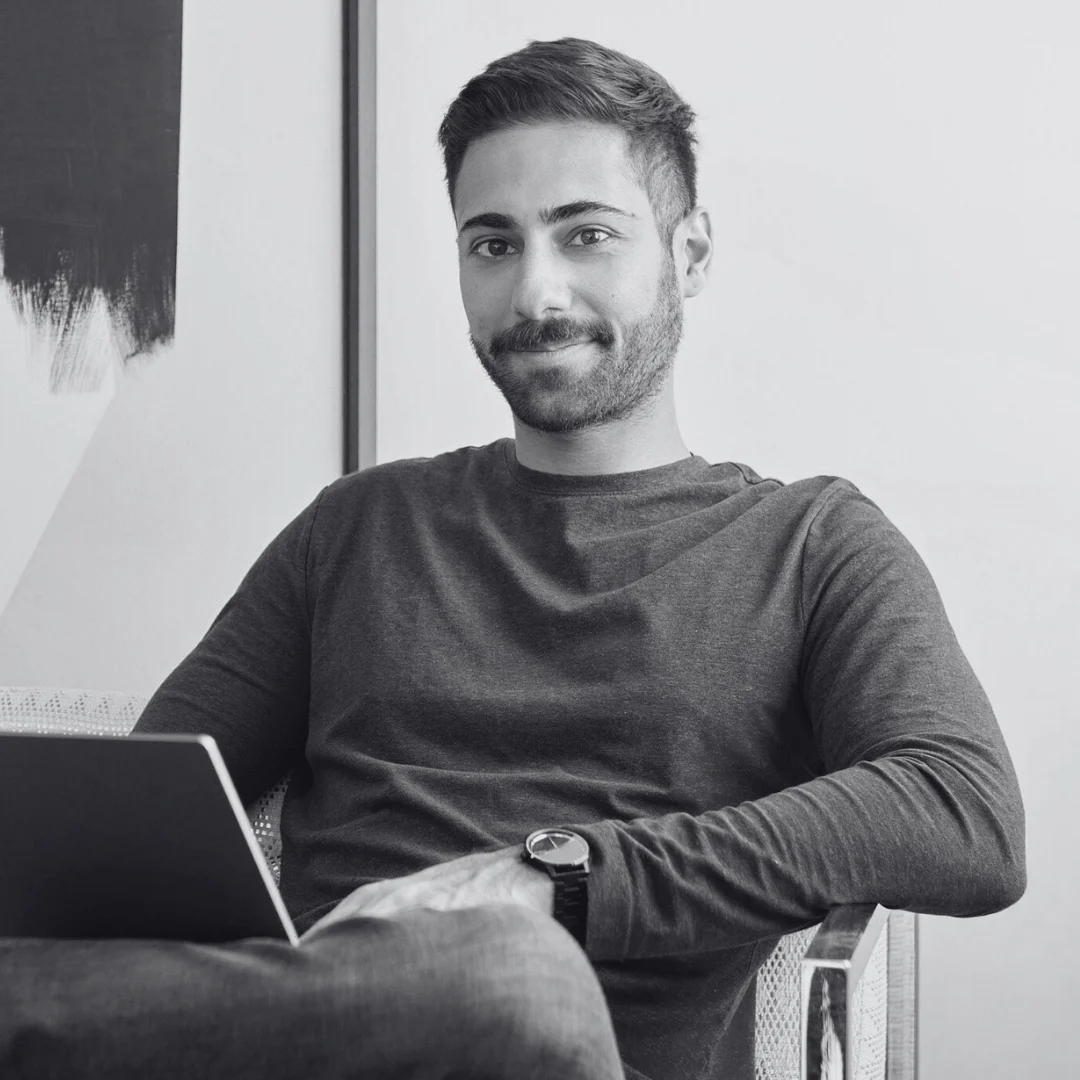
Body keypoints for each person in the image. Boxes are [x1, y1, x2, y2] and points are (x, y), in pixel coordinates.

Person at [1, 36, 1026, 1080]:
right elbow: (125, 831)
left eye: (587, 235)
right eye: (492, 244)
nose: (535, 292)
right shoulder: (357, 528)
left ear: (693, 253)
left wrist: (559, 880)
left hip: (546, 1031)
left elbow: (962, 811)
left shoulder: (812, 547)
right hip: (307, 1032)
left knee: (509, 971)